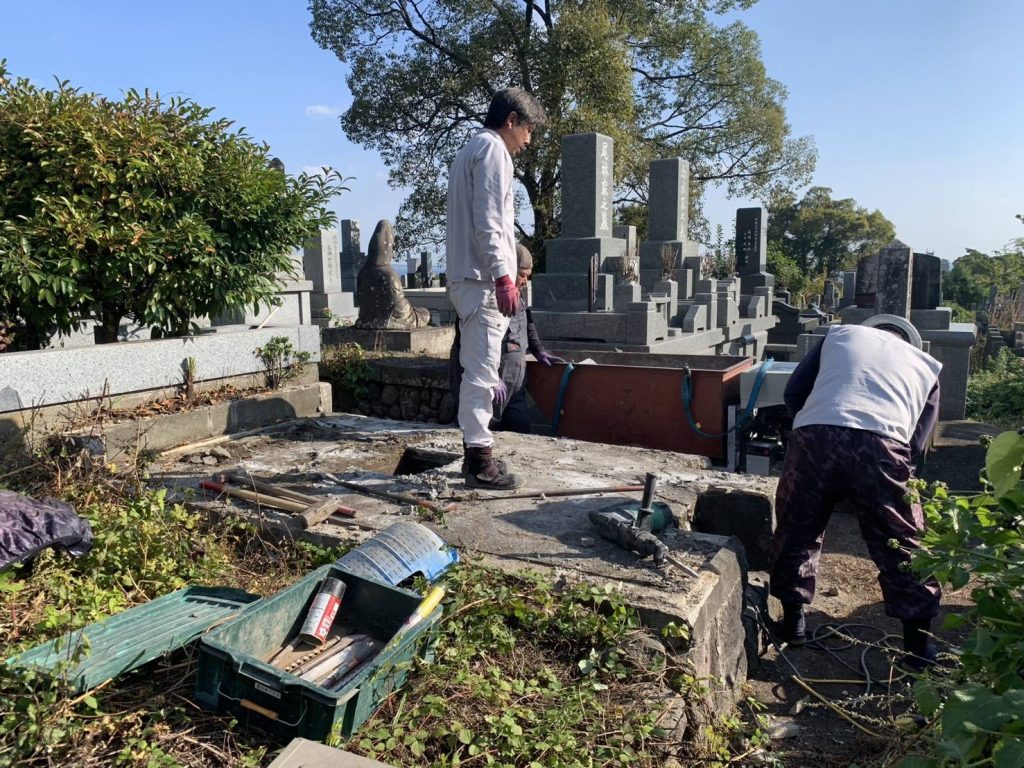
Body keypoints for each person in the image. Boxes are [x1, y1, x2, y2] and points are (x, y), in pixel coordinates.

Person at [770, 323, 943, 669]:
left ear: (873, 328)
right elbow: (917, 440)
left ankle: (793, 621)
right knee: (902, 542)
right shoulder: (927, 366)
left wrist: (815, 429)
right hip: (883, 443)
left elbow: (794, 392)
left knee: (798, 525)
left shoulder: (839, 335)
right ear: (908, 340)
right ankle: (917, 647)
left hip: (816, 434)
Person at [445, 88, 547, 490]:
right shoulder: (492, 150)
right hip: (482, 280)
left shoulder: (471, 149)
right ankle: (479, 463)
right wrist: (504, 277)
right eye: (528, 130)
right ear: (511, 120)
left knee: (479, 369)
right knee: (483, 372)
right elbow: (490, 221)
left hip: (471, 277)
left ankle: (478, 453)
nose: (528, 140)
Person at [449, 243, 563, 434]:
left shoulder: (518, 296)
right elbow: (471, 342)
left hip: (516, 382)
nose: (525, 281)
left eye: (528, 276)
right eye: (522, 275)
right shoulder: (483, 296)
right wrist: (492, 377)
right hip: (490, 380)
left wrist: (538, 350)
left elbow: (527, 324)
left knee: (520, 427)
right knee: (484, 429)